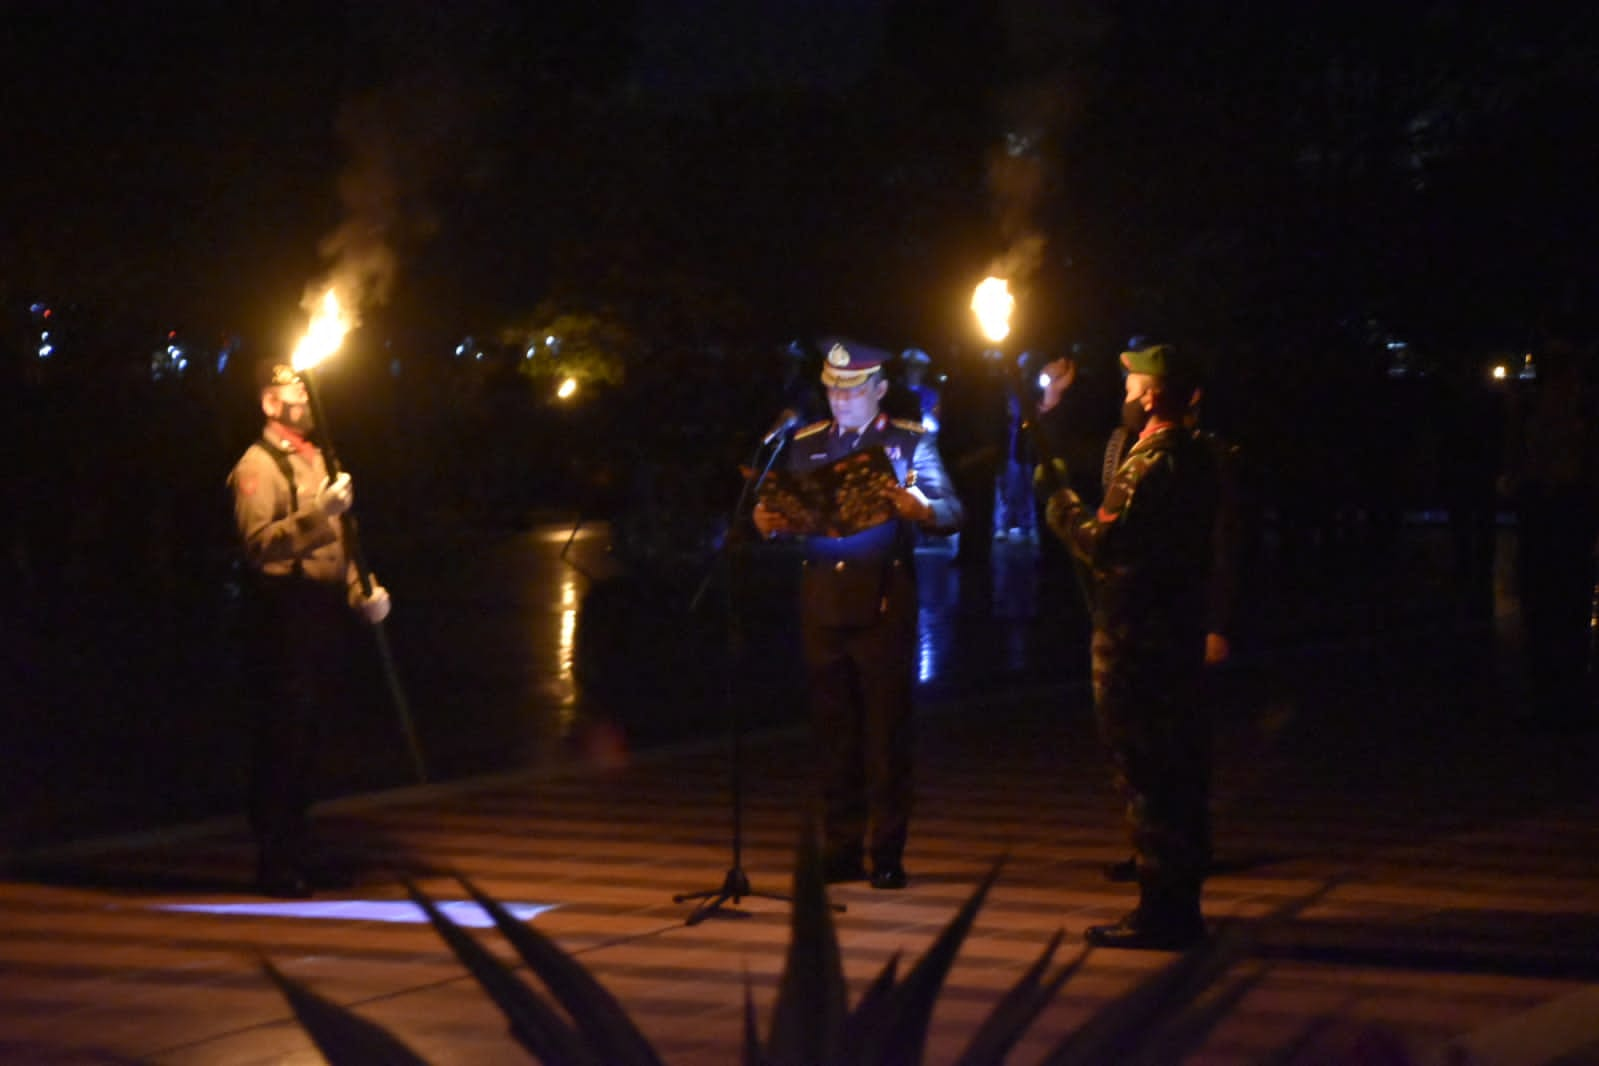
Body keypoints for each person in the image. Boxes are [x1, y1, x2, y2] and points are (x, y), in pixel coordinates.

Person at [753, 339, 963, 889]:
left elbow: (952, 509)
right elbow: (787, 512)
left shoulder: (908, 441)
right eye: (831, 389)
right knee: (833, 732)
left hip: (883, 599)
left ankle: (886, 850)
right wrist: (768, 520)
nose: (839, 400)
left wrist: (919, 508)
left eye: (851, 390)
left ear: (879, 390)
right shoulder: (804, 443)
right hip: (821, 598)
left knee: (885, 733)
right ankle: (840, 847)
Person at [1034, 341, 1219, 949]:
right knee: (1175, 773)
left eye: (1132, 385)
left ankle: (1162, 911)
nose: (1125, 396)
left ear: (1152, 395)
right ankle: (1175, 904)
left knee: (1149, 775)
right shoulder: (1194, 456)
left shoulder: (1151, 463)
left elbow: (1102, 545)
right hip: (1169, 635)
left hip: (1141, 643)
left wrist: (1058, 501)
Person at [228, 361, 391, 898]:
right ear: (269, 405)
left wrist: (361, 588)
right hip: (283, 613)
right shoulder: (258, 466)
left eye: (303, 386)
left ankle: (303, 848)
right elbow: (260, 545)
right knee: (285, 738)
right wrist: (319, 512)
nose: (303, 396)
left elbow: (341, 539)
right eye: (291, 390)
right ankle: (275, 859)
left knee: (316, 736)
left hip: (321, 612)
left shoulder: (320, 457)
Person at [1500, 332, 1599, 731]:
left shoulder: (1580, 412)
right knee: (1548, 602)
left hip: (1564, 507)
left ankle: (1563, 690)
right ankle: (1552, 690)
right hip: (1548, 508)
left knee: (1563, 603)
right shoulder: (1538, 411)